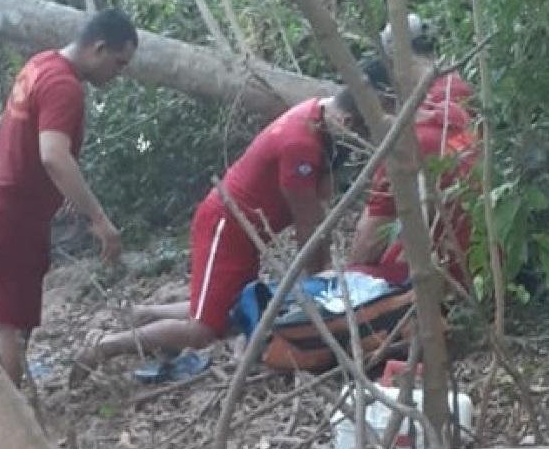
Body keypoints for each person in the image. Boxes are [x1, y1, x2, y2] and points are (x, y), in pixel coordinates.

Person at [70, 80, 369, 384]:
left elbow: (319, 205)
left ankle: (145, 315)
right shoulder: (301, 144)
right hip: (226, 228)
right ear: (347, 122)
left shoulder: (320, 116)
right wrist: (319, 282)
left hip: (244, 228)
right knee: (203, 331)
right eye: (362, 136)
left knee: (232, 312)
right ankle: (106, 345)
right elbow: (308, 223)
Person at [0, 9, 138, 385]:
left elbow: (27, 133)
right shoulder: (64, 85)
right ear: (98, 48)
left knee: (15, 318)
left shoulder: (41, 64)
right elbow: (54, 156)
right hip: (9, 215)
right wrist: (99, 218)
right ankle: (13, 424)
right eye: (119, 62)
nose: (119, 72)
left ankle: (16, 401)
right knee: (8, 325)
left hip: (8, 210)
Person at [351, 17, 479, 287]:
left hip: (443, 270)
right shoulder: (456, 93)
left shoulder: (410, 143)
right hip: (480, 255)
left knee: (357, 276)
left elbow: (368, 240)